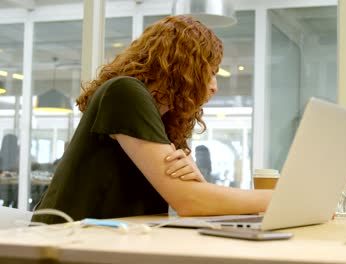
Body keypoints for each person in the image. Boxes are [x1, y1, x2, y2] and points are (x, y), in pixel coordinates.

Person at [32, 15, 272, 224]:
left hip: (109, 240)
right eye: (210, 73)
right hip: (65, 241)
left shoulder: (163, 119)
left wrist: (198, 184)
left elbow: (190, 197)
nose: (214, 87)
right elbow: (189, 201)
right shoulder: (124, 92)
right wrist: (279, 199)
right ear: (184, 67)